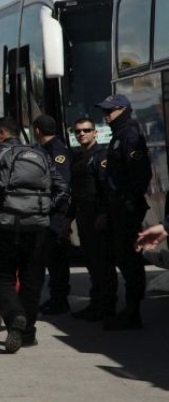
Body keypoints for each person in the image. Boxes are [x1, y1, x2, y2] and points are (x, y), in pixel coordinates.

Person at [0, 117, 68, 353]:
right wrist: (43, 208)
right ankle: (28, 333)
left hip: (3, 227)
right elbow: (62, 189)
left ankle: (14, 316)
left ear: (2, 133)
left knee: (1, 278)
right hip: (37, 227)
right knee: (32, 280)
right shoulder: (40, 154)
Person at [95, 94, 152, 330]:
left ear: (124, 110)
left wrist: (127, 202)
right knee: (121, 256)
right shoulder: (119, 134)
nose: (106, 115)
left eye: (111, 111)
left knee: (130, 259)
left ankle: (133, 311)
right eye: (104, 111)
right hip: (118, 206)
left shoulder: (129, 134)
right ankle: (128, 308)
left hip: (126, 207)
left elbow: (140, 174)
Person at [67, 118, 109, 321]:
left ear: (95, 133)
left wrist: (104, 214)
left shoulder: (101, 156)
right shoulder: (78, 158)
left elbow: (106, 190)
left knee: (102, 264)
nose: (82, 134)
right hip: (83, 215)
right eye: (78, 131)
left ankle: (105, 306)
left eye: (86, 130)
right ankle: (96, 302)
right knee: (91, 262)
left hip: (97, 215)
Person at [33, 115, 73, 315]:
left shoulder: (57, 152)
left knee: (57, 258)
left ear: (37, 131)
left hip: (56, 214)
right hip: (50, 213)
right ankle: (56, 297)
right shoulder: (45, 150)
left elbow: (62, 188)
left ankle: (60, 299)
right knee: (52, 259)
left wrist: (46, 208)